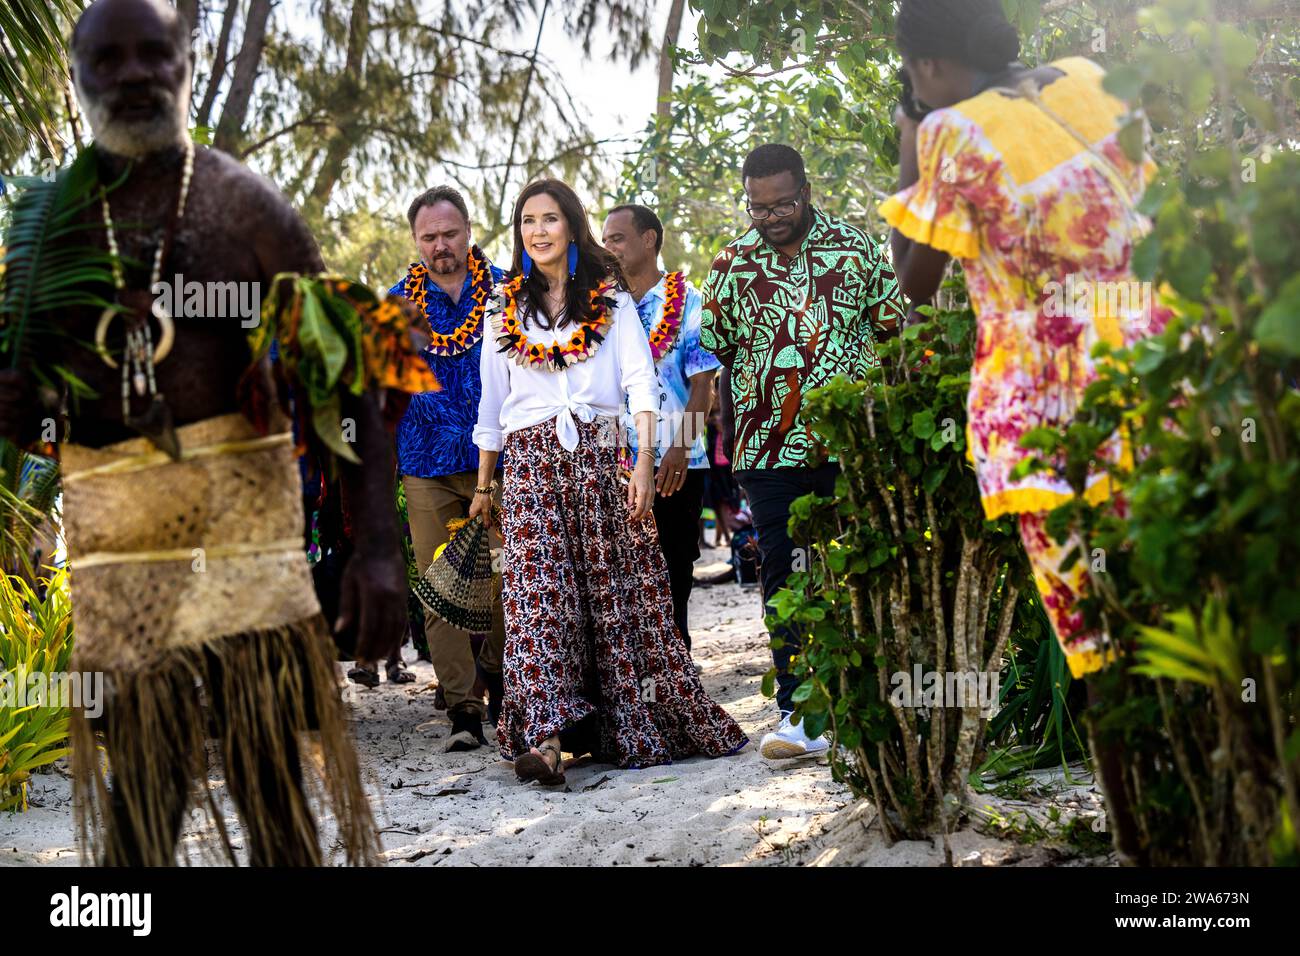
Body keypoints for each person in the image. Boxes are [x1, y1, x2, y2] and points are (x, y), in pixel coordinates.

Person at [0, 0, 405, 865]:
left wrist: (377, 548)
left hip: (244, 534)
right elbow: (37, 417)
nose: (136, 75)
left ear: (188, 62)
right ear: (75, 77)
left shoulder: (246, 206)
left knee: (270, 780)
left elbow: (354, 384)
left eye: (156, 54)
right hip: (123, 544)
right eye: (109, 60)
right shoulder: (48, 231)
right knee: (142, 788)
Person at [881, 0, 1168, 681]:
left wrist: (910, 143)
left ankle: (1121, 778)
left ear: (927, 64)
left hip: (1046, 390)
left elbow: (913, 278)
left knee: (1095, 628)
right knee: (1174, 590)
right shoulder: (1088, 78)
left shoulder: (952, 129)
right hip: (1155, 358)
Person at [469, 178, 747, 785]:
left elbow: (642, 386)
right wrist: (485, 486)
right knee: (536, 604)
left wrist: (644, 460)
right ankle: (543, 742)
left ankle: (615, 724)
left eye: (548, 219)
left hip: (600, 461)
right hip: (530, 468)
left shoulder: (613, 300)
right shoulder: (500, 309)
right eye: (526, 222)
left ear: (571, 225)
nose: (537, 231)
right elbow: (491, 408)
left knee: (613, 601)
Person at [699, 144, 906, 760]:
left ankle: (867, 709)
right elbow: (723, 360)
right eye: (758, 208)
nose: (771, 217)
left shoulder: (858, 249)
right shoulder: (731, 266)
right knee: (786, 577)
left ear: (806, 190)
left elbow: (893, 334)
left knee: (857, 570)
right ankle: (801, 716)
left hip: (851, 446)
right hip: (766, 454)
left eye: (783, 203)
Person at [385, 186, 508, 747]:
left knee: (510, 579)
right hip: (426, 462)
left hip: (503, 461)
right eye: (429, 237)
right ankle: (462, 710)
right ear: (416, 241)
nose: (441, 246)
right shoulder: (394, 306)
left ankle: (507, 686)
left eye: (450, 234)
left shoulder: (510, 290)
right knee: (441, 587)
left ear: (469, 230)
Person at [601, 203, 717, 652]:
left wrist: (678, 450)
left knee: (672, 571)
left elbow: (703, 386)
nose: (608, 247)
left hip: (675, 465)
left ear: (649, 240)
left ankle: (677, 674)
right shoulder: (602, 307)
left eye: (618, 238)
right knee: (621, 576)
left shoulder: (689, 302)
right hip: (613, 464)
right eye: (605, 239)